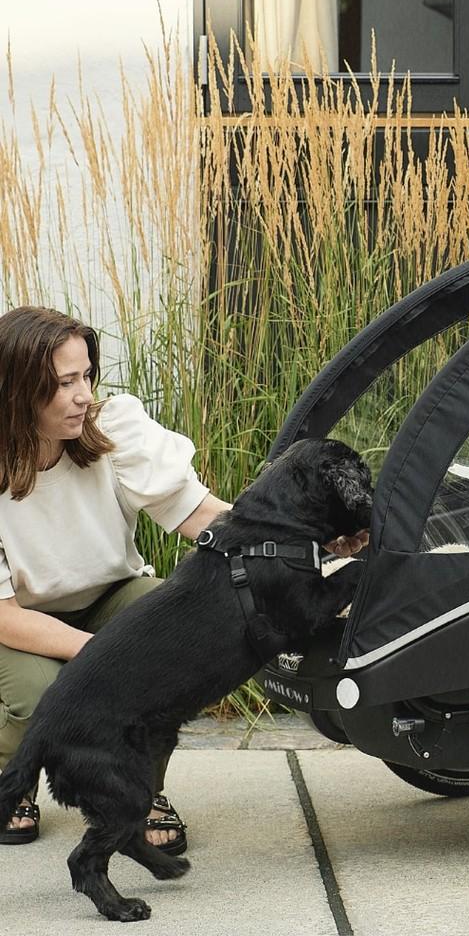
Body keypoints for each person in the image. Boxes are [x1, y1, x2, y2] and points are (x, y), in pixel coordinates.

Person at [0, 307, 367, 849]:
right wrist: (104, 655)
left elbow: (200, 517)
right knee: (44, 697)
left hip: (110, 594)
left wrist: (308, 546)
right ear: (16, 390)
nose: (83, 395)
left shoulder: (111, 426)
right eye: (63, 383)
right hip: (18, 622)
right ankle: (13, 770)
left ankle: (143, 792)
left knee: (164, 642)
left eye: (86, 376)